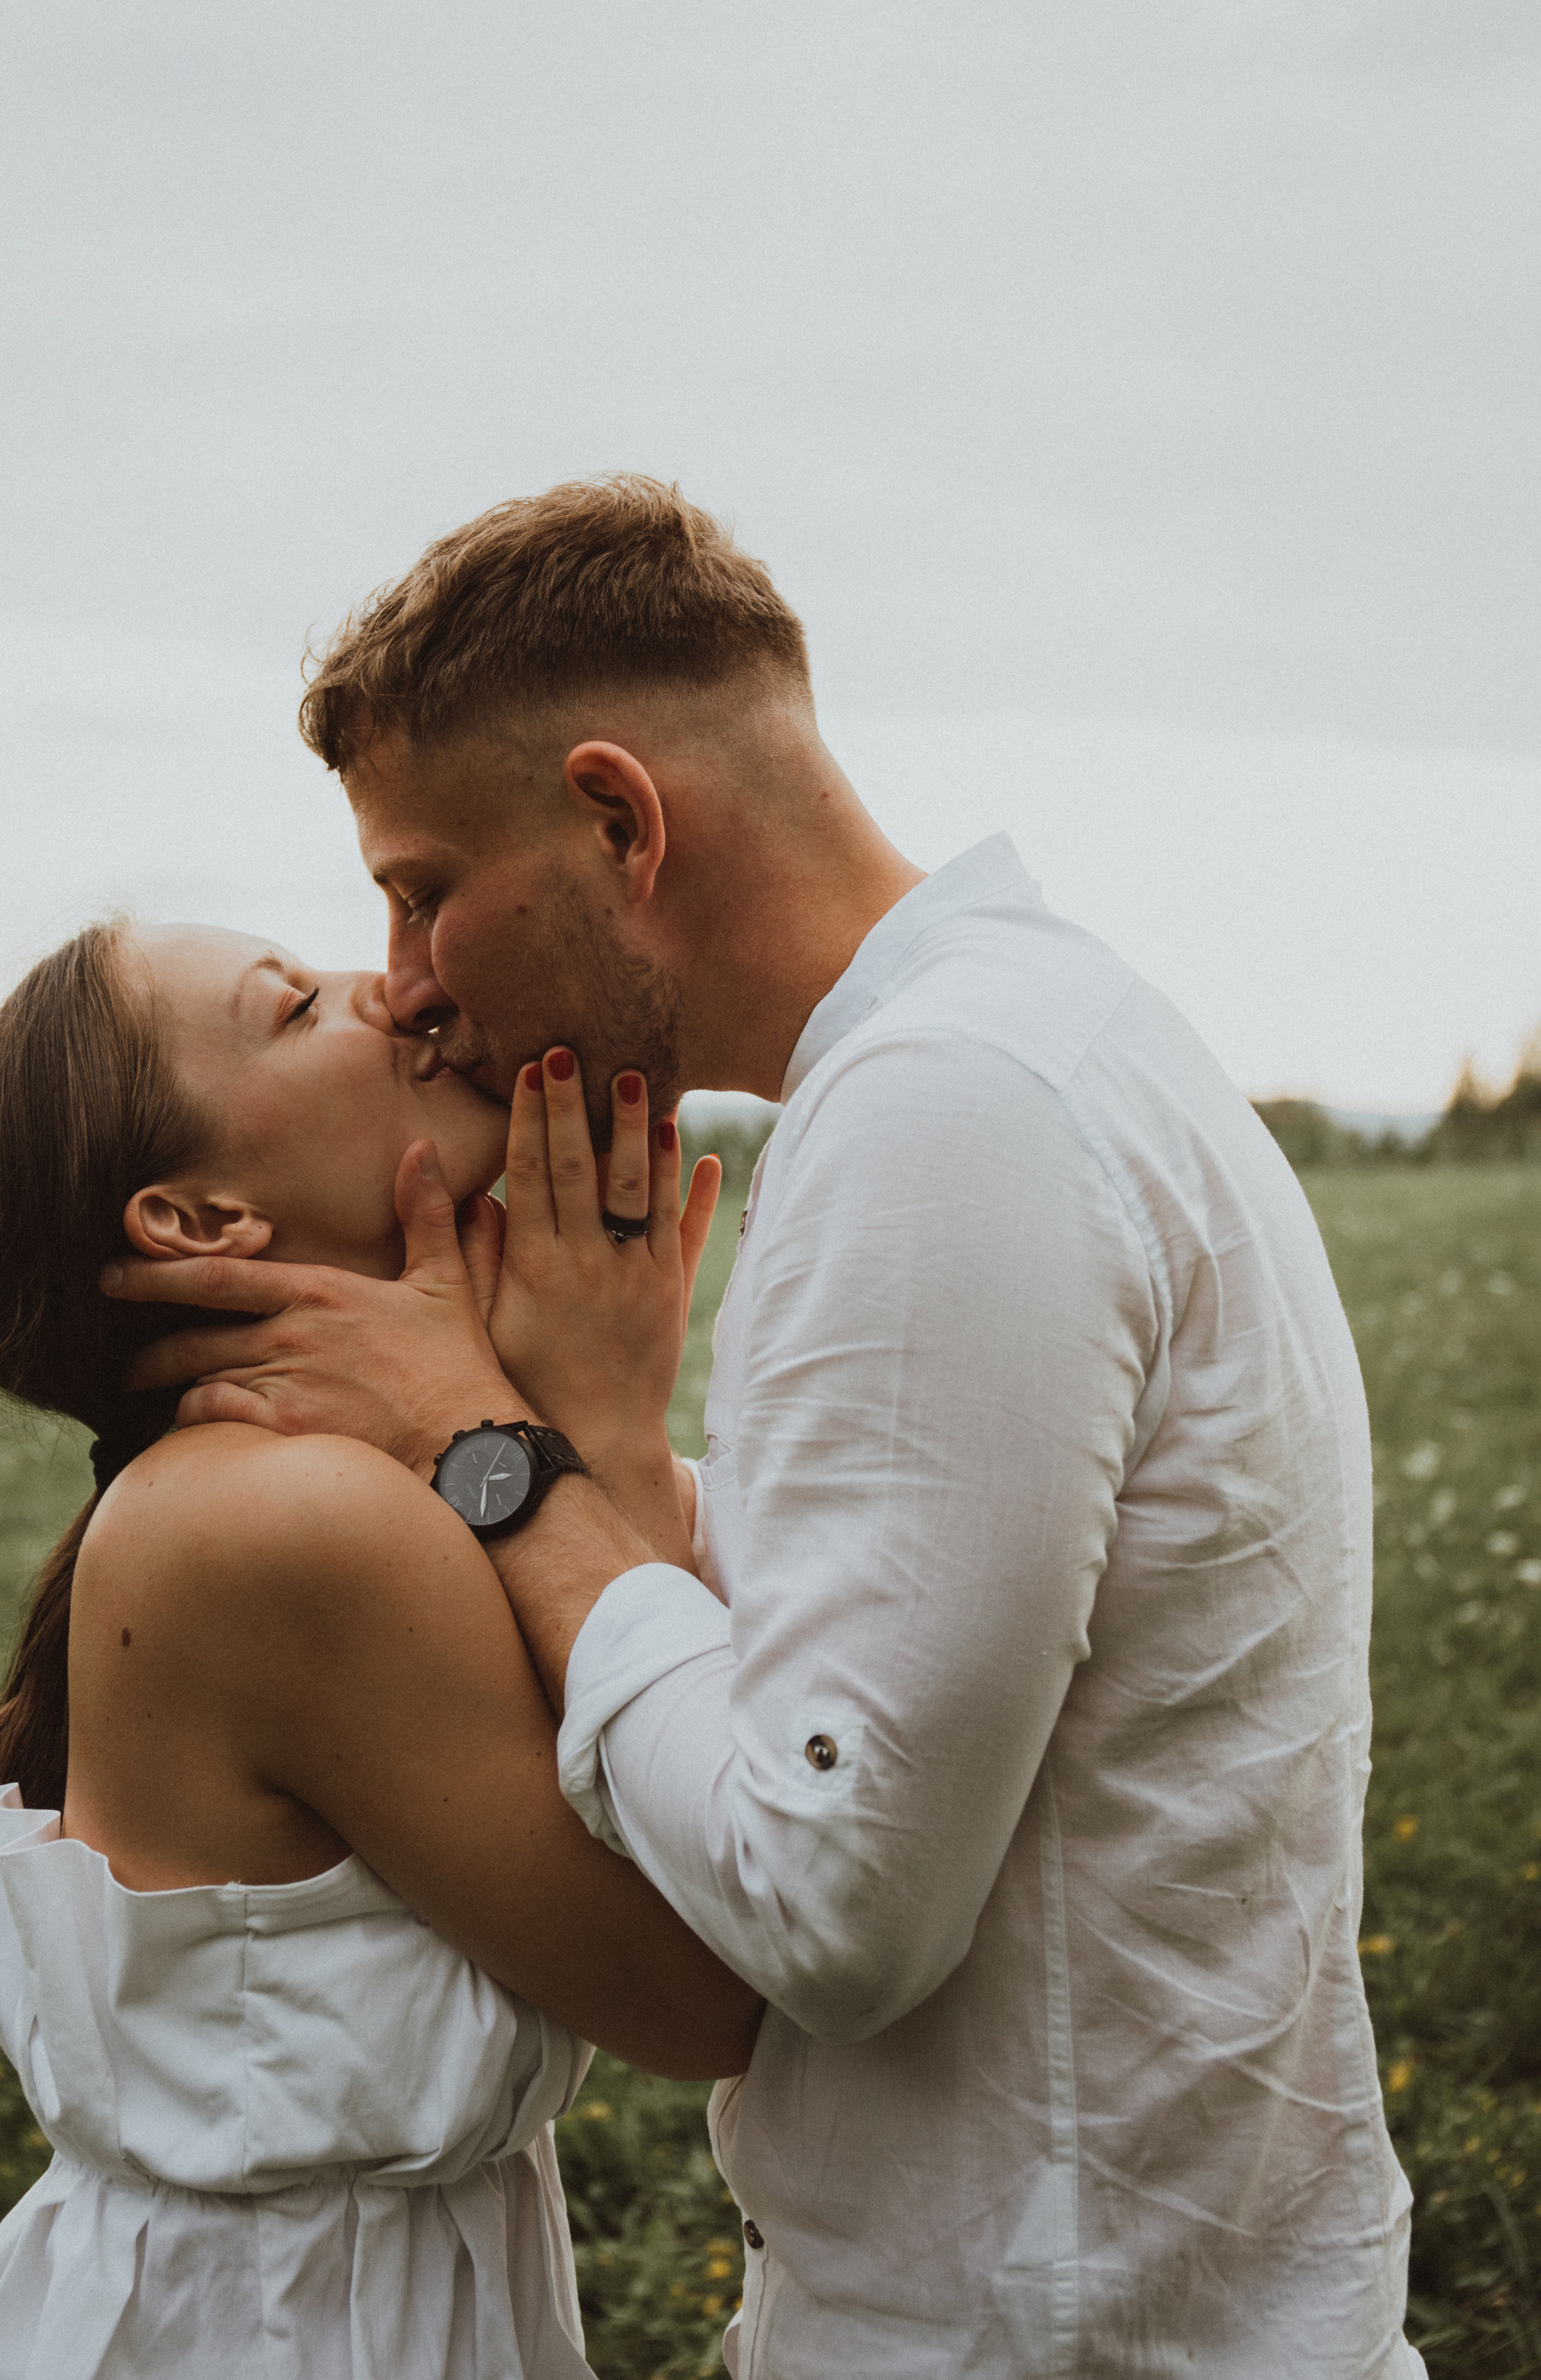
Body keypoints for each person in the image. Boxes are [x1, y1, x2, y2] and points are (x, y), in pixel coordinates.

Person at [112, 476, 1425, 2378]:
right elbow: (900, 1663)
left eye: (420, 891)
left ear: (617, 819)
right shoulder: (1025, 1045)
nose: (405, 984)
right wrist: (619, 1463)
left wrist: (494, 1456)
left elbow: (829, 1907)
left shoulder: (945, 1117)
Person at [0, 916, 759, 2380]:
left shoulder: (320, 1482)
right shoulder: (288, 1517)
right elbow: (717, 1980)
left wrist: (537, 1417)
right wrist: (603, 1434)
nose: (394, 992)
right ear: (197, 1222)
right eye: (295, 1004)